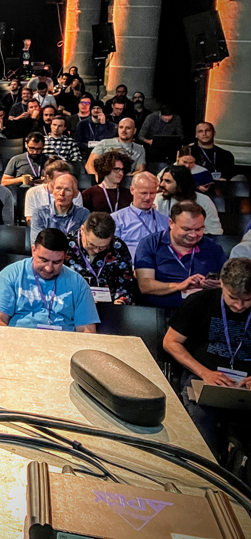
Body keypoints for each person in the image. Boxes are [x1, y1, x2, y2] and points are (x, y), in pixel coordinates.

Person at [163, 257, 251, 461]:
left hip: (245, 384)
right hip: (203, 376)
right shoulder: (200, 301)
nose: (239, 305)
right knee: (201, 420)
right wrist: (204, 372)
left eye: (247, 300)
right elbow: (170, 342)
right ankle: (209, 474)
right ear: (222, 285)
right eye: (232, 298)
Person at [0, 228, 100, 333]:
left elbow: (87, 330)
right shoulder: (11, 274)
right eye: (44, 260)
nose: (49, 268)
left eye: (56, 262)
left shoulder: (77, 283)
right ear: (33, 250)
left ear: (65, 256)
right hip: (19, 342)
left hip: (63, 345)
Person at [135, 201, 227, 308]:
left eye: (198, 229)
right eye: (186, 229)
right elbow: (145, 285)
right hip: (161, 312)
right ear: (171, 223)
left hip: (203, 312)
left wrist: (219, 285)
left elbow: (228, 282)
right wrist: (180, 286)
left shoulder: (213, 247)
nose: (193, 235)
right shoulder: (150, 244)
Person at [64, 212, 139, 305]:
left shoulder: (118, 247)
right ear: (82, 230)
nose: (96, 250)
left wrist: (120, 301)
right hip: (73, 304)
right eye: (91, 244)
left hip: (109, 306)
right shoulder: (65, 245)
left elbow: (125, 283)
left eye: (102, 247)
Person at [111, 171, 170, 257]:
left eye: (152, 193)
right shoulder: (116, 219)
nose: (148, 198)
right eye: (143, 193)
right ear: (132, 190)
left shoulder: (165, 220)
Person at [155, 164, 224, 236]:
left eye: (167, 181)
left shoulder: (204, 200)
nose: (161, 184)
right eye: (162, 180)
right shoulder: (158, 200)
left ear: (181, 184)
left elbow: (215, 231)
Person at [23, 160, 83, 224]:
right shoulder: (33, 193)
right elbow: (30, 220)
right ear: (48, 178)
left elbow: (77, 220)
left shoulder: (75, 194)